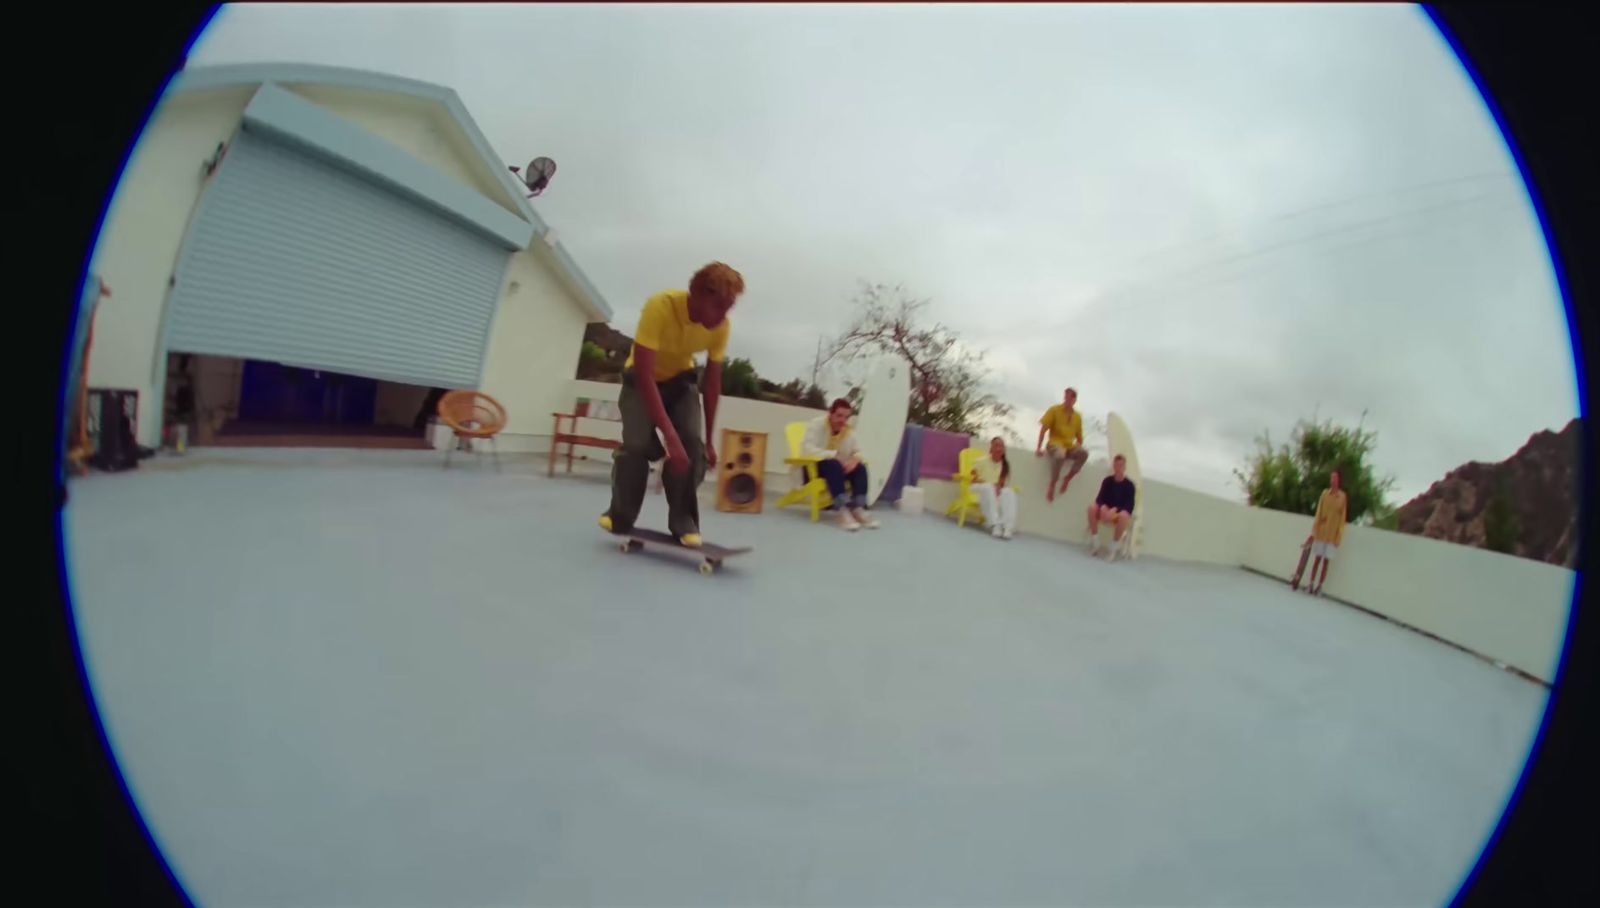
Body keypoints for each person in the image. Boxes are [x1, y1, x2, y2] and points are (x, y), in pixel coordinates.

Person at [599, 262, 744, 547]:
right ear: (696, 294)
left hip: (681, 384)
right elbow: (643, 374)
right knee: (637, 444)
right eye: (719, 306)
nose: (723, 316)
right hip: (640, 382)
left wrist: (708, 441)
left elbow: (712, 385)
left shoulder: (721, 327)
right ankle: (620, 514)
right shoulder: (660, 307)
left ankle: (683, 520)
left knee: (693, 447)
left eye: (729, 308)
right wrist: (669, 437)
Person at [802, 398, 881, 531]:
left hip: (837, 471)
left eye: (846, 417)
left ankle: (858, 508)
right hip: (812, 469)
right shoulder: (816, 425)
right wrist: (833, 455)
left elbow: (859, 451)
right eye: (839, 415)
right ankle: (842, 509)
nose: (842, 420)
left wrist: (855, 459)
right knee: (833, 464)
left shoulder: (848, 431)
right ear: (830, 413)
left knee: (860, 467)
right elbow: (806, 449)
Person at [1036, 387, 1088, 502]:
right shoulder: (1054, 410)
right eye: (1065, 397)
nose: (1066, 400)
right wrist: (1038, 448)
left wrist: (1078, 447)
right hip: (1054, 444)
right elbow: (1043, 429)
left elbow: (1079, 438)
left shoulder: (1077, 417)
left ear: (1074, 400)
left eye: (1069, 398)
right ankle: (1052, 483)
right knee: (1060, 454)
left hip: (1069, 447)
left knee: (1084, 453)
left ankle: (1067, 479)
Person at [1306, 471, 1348, 596]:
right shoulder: (1324, 494)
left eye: (1335, 478)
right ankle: (1311, 584)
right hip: (1321, 533)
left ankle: (1320, 587)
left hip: (1332, 536)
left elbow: (1342, 519)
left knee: (1326, 562)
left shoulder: (1342, 497)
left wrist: (1338, 537)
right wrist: (1314, 531)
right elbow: (1319, 512)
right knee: (1317, 560)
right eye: (1331, 478)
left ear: (1338, 480)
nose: (1333, 481)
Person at [1087, 454, 1137, 559]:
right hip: (1104, 512)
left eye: (1120, 465)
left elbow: (1129, 506)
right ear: (1113, 466)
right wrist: (1104, 507)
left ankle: (1113, 548)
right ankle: (1095, 543)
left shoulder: (1129, 485)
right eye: (1116, 465)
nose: (1118, 468)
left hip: (1117, 515)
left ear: (1124, 467)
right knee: (1091, 508)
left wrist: (1115, 510)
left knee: (1124, 516)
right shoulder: (1107, 481)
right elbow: (1099, 499)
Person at [969, 436, 1018, 539]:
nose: (999, 448)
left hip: (993, 492)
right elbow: (972, 479)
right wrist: (990, 484)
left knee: (1009, 492)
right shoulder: (980, 461)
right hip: (978, 489)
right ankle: (995, 525)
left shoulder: (1005, 465)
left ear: (1004, 450)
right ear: (991, 448)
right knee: (988, 487)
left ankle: (1007, 527)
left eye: (1001, 446)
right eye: (996, 446)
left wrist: (998, 487)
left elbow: (1001, 484)